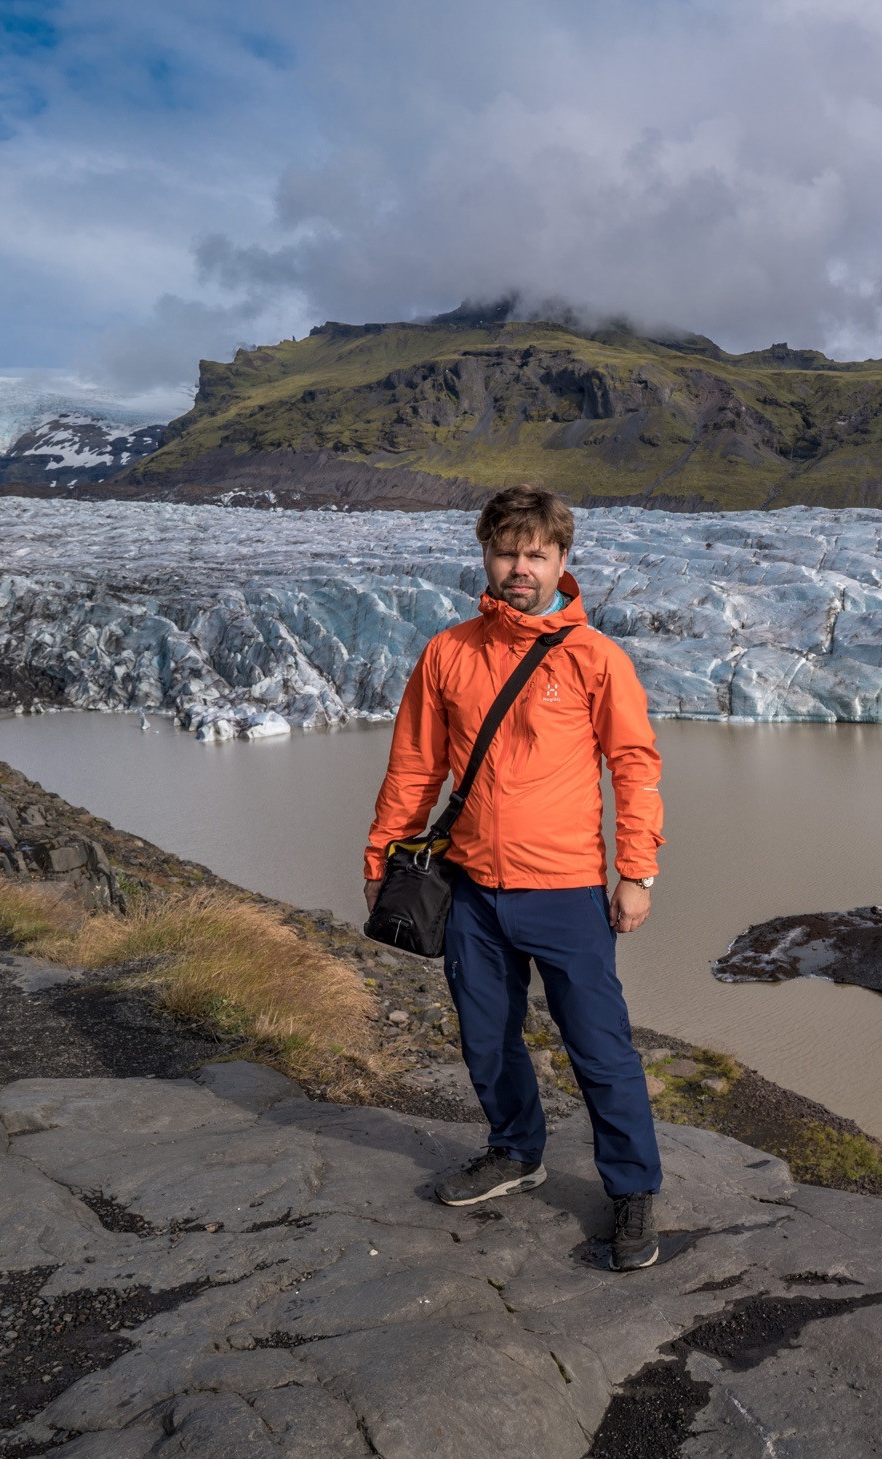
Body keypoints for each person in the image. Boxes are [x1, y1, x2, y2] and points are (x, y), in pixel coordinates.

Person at [364, 485, 665, 1270]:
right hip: (470, 888)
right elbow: (414, 768)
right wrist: (382, 860)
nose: (520, 567)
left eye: (536, 553)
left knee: (599, 1048)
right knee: (488, 1039)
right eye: (507, 551)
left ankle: (632, 1189)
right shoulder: (449, 652)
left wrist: (636, 871)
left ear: (562, 561)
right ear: (486, 555)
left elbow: (633, 767)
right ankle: (516, 1151)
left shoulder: (595, 657)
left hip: (565, 890)